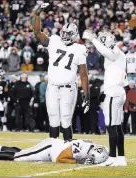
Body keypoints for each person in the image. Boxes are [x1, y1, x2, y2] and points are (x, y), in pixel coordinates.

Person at [33, 3, 90, 141]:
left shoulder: (79, 48)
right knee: (53, 120)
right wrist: (36, 15)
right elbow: (37, 33)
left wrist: (86, 93)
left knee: (65, 120)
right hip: (52, 87)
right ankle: (53, 149)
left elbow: (83, 74)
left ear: (75, 35)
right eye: (64, 33)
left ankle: (67, 149)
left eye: (68, 34)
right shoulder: (54, 40)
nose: (65, 35)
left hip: (68, 89)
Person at [83, 31, 127, 166]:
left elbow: (107, 53)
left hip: (114, 92)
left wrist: (94, 40)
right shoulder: (118, 51)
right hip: (118, 91)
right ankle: (120, 158)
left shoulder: (114, 51)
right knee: (117, 126)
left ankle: (112, 158)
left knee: (111, 126)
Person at [0, 138, 109, 165]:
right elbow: (60, 158)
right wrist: (78, 162)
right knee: (18, 157)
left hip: (53, 145)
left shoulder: (90, 145)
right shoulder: (83, 151)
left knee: (25, 152)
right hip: (51, 150)